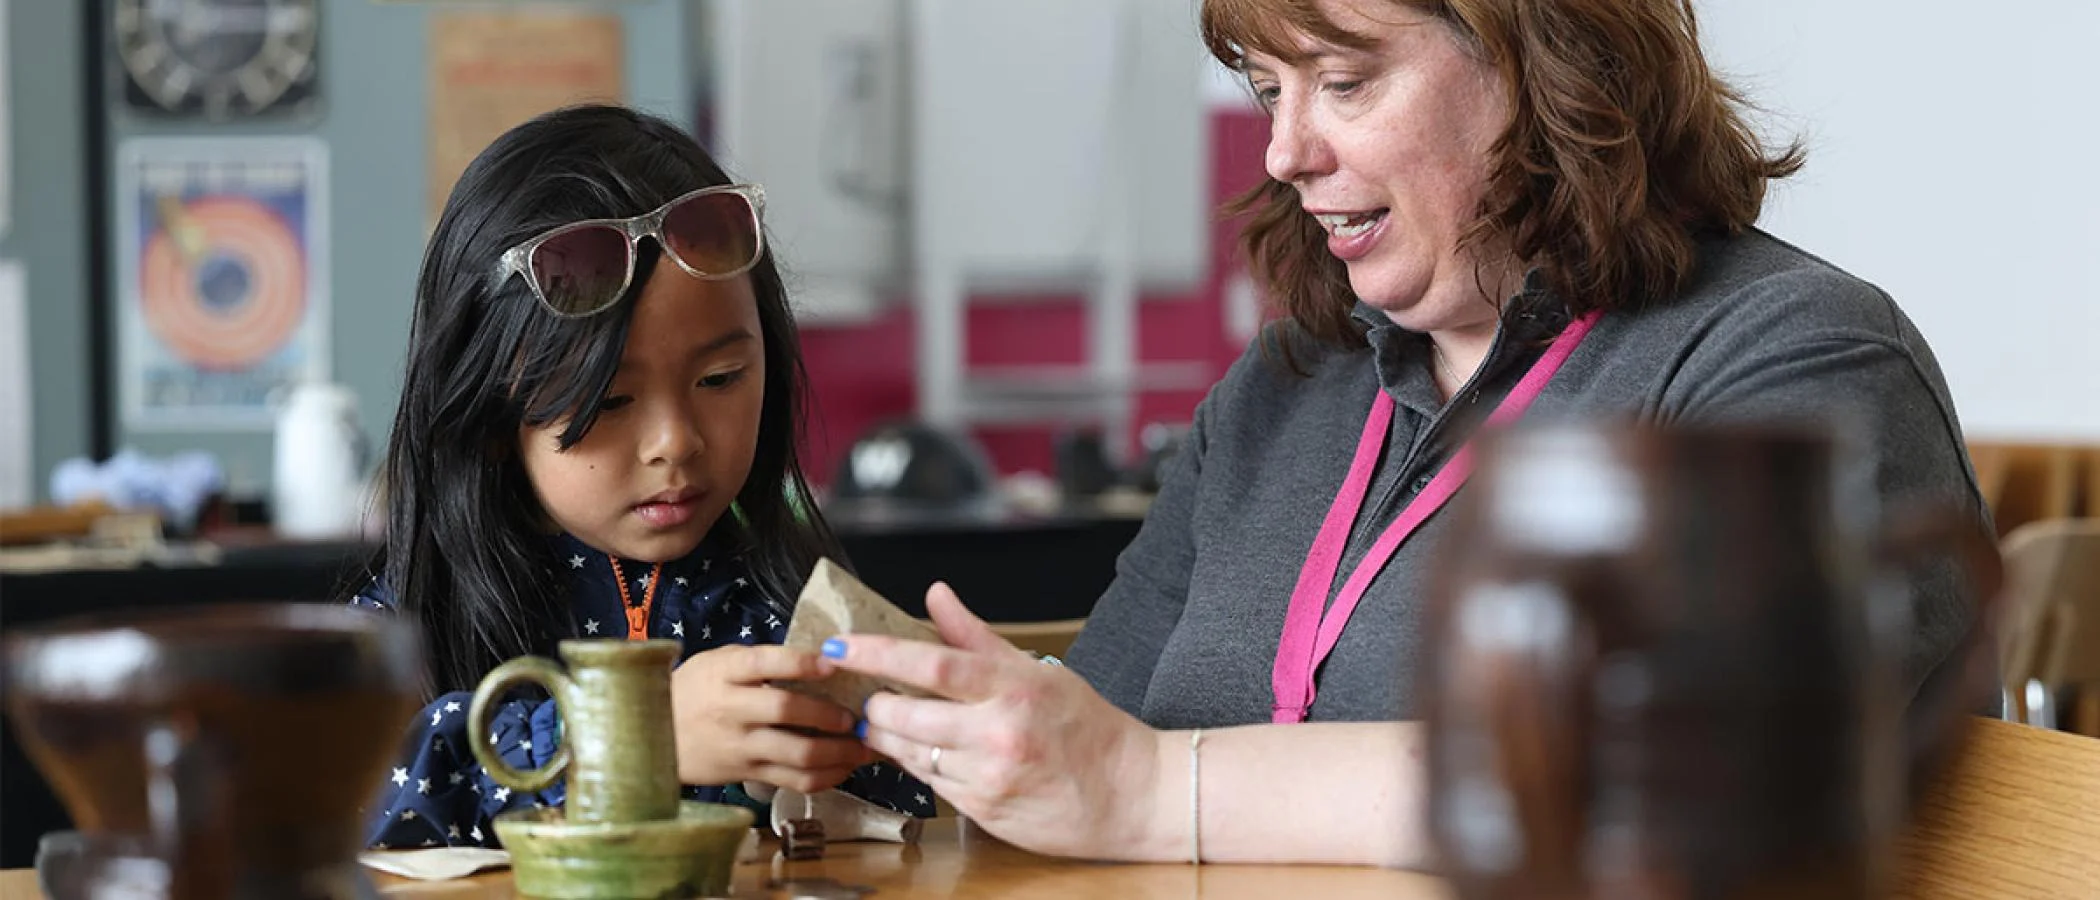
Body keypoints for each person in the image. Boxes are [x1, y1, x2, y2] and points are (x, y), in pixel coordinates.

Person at [822, 0, 1992, 868]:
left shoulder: (1796, 355)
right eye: (1266, 86)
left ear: (1546, 62)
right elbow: (1102, 733)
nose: (1283, 152)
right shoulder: (1282, 386)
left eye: (1341, 80)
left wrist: (1145, 789)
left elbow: (1690, 792)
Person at [351, 104, 933, 849]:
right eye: (612, 400)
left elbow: (914, 822)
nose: (675, 443)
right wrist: (633, 738)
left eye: (721, 379)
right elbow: (342, 798)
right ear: (494, 423)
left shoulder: (783, 616)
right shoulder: (406, 627)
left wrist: (911, 725)